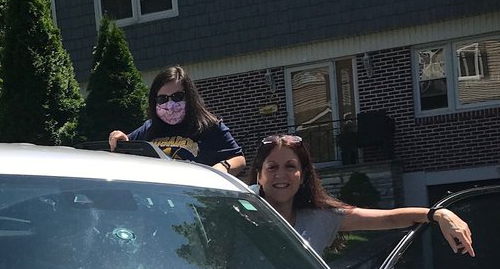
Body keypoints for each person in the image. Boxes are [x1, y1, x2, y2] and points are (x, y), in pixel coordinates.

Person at [249, 133, 474, 256]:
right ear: (259, 175)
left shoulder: (321, 219)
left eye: (290, 166)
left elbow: (390, 218)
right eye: (272, 167)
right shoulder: (237, 215)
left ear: (303, 174)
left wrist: (439, 214)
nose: (281, 175)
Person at [108, 66, 246, 175]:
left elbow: (238, 158)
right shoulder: (149, 128)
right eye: (162, 99)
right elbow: (127, 149)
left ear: (190, 96)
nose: (170, 105)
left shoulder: (210, 126)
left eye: (177, 96)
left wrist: (222, 167)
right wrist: (121, 138)